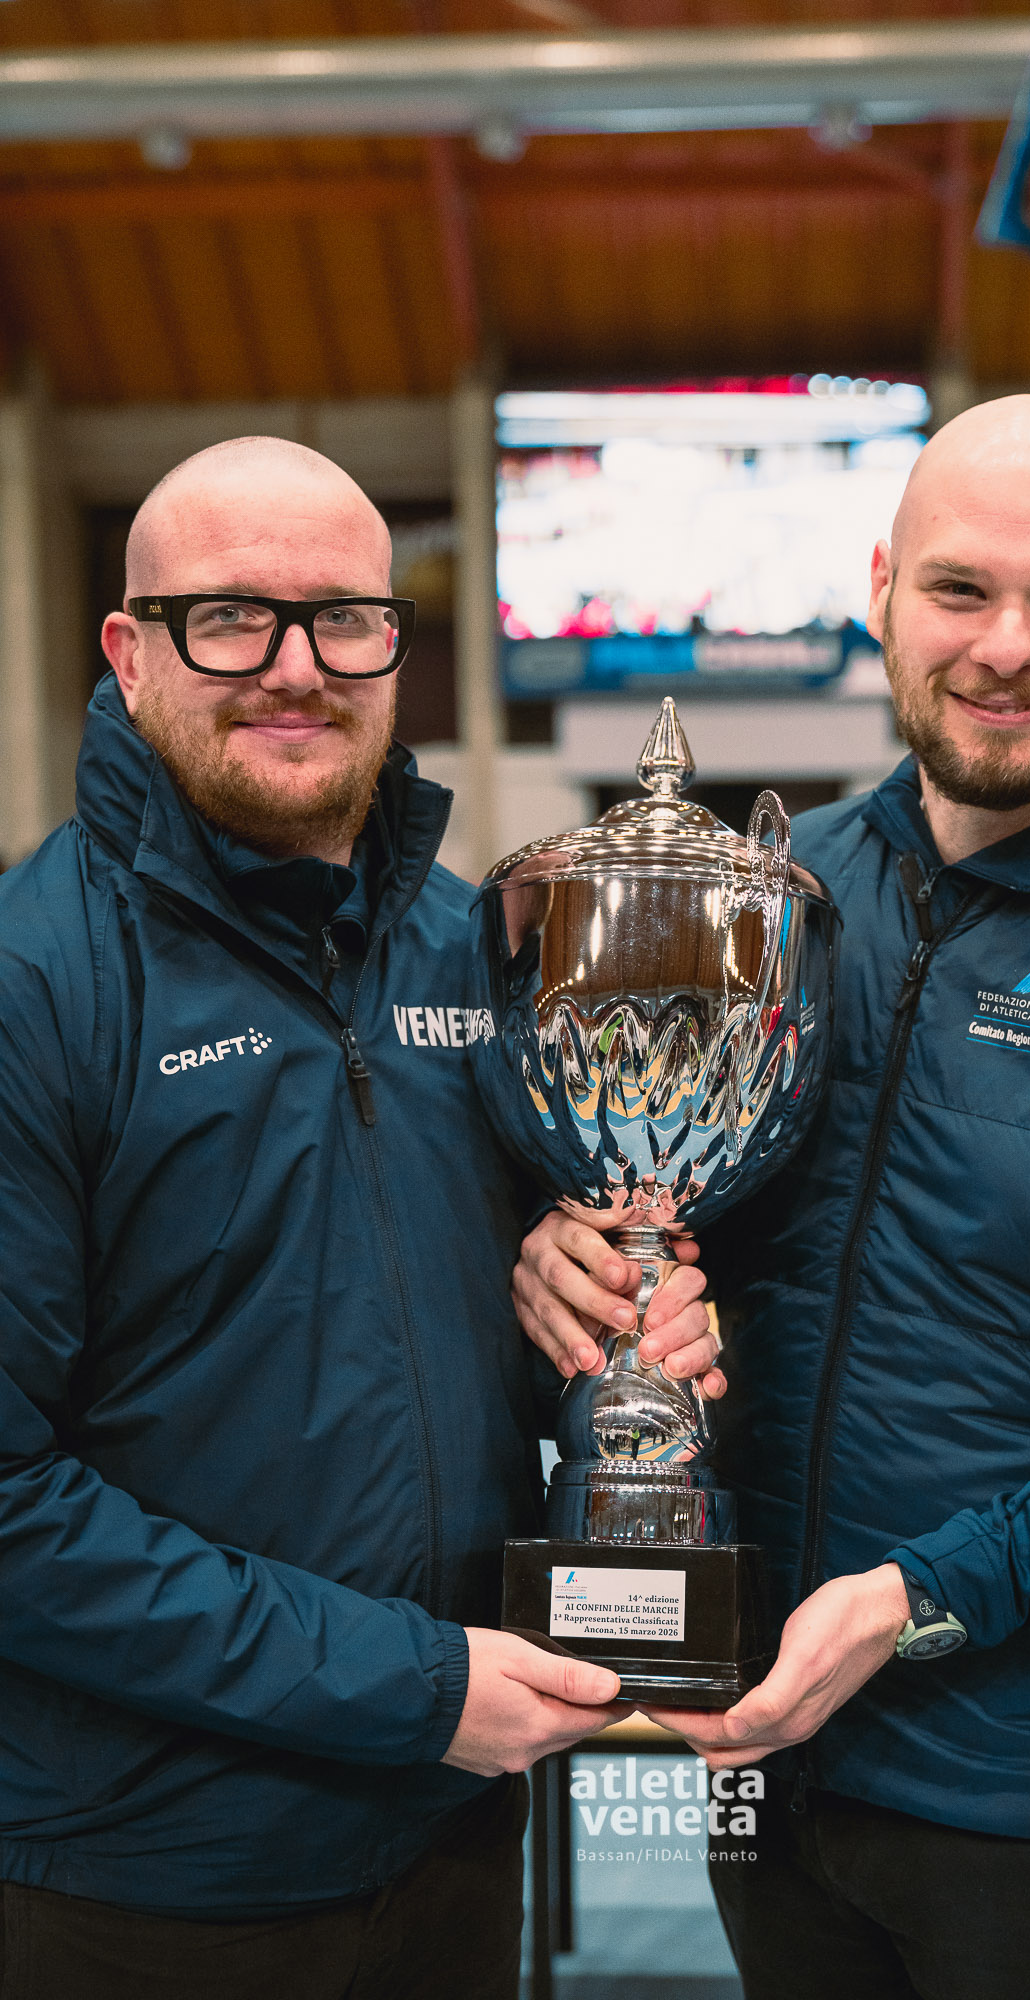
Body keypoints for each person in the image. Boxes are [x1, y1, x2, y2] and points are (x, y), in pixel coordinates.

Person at [517, 395, 1030, 2000]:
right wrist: (580, 1256)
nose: (1005, 646)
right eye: (960, 588)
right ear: (883, 590)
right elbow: (697, 1228)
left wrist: (915, 1604)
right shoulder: (783, 896)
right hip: (772, 1759)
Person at [0, 435, 711, 2000]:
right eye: (230, 618)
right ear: (128, 650)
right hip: (146, 1880)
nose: (295, 668)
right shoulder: (35, 982)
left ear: (396, 642)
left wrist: (599, 1311)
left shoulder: (471, 951)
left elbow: (444, 1332)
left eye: (343, 619)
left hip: (450, 1839)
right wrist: (410, 1689)